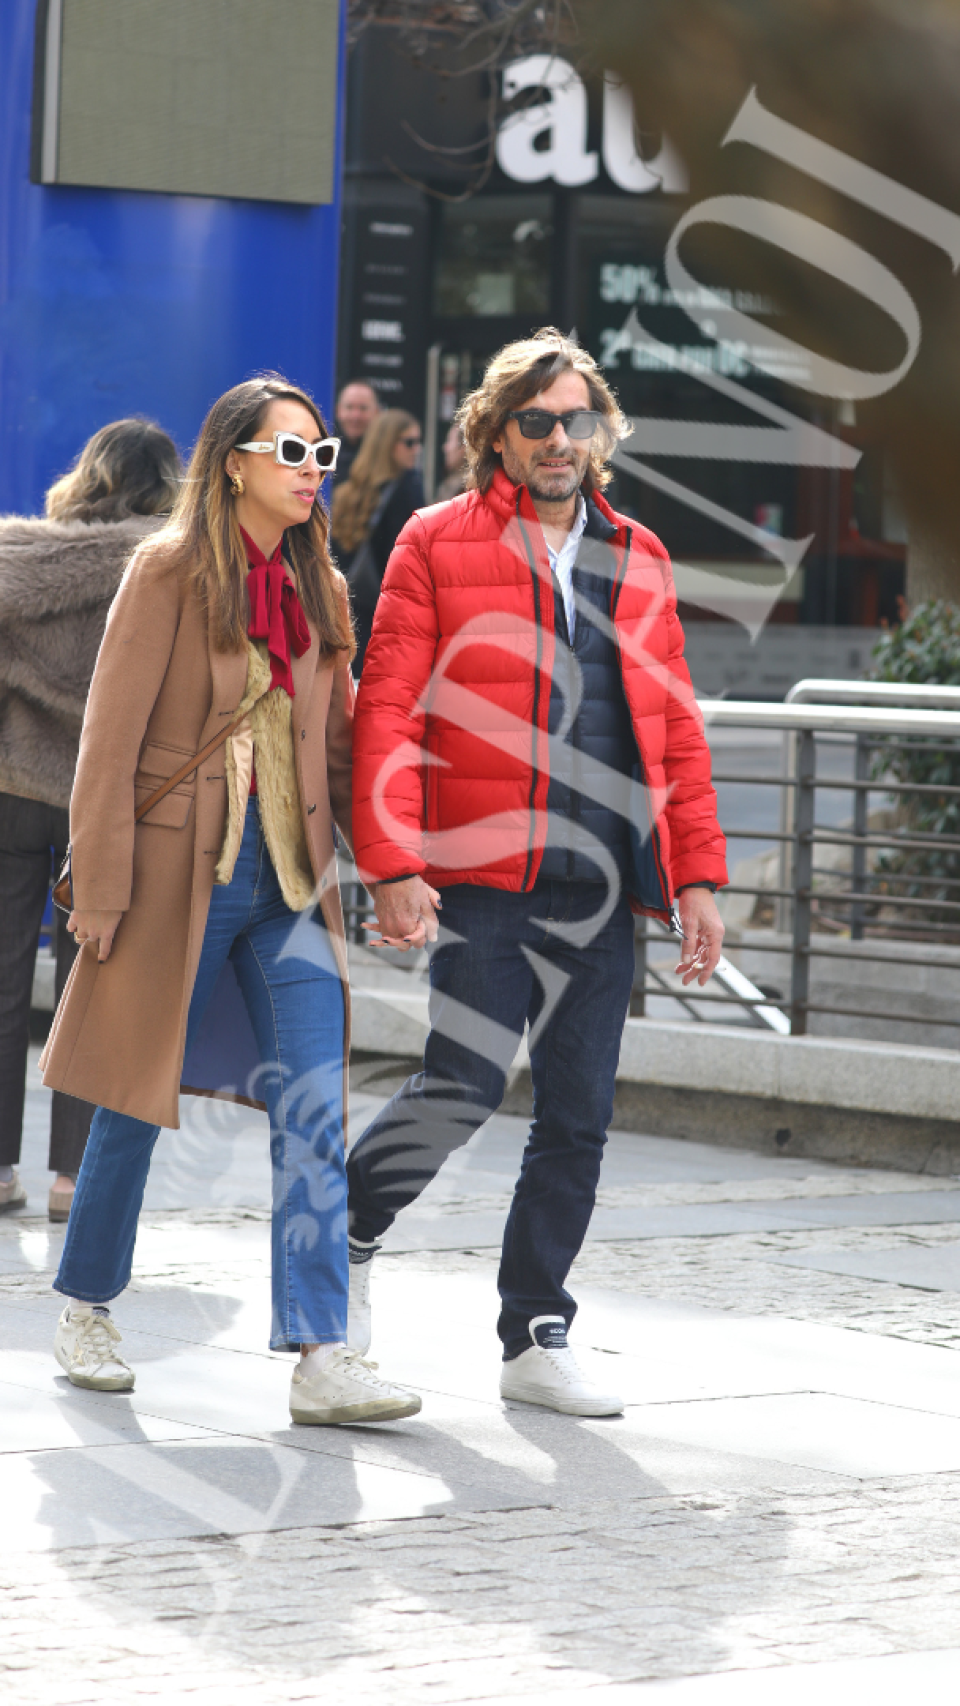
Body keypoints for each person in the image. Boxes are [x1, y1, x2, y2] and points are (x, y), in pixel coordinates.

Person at [344, 329, 728, 1417]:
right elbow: (389, 710)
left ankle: (535, 1330)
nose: (561, 440)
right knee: (460, 1085)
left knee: (579, 1111)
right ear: (498, 435)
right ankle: (349, 1232)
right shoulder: (433, 541)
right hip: (480, 875)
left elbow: (677, 728)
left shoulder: (640, 553)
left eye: (578, 420)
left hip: (602, 881)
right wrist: (392, 861)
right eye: (538, 421)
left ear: (602, 431)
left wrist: (696, 875)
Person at [40, 374, 420, 1427]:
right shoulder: (164, 573)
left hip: (291, 883)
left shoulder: (322, 587)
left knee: (313, 1106)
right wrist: (101, 888)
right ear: (235, 461)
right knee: (132, 1090)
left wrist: (392, 865)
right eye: (289, 451)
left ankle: (322, 1352)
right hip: (177, 879)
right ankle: (85, 1304)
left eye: (320, 454)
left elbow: (339, 747)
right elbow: (106, 747)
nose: (309, 472)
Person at [0, 418, 181, 1224]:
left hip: (13, 791)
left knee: (3, 983)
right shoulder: (171, 568)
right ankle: (72, 1178)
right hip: (111, 806)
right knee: (92, 989)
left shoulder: (19, 562)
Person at [330, 409, 425, 673]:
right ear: (387, 445)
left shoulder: (347, 492)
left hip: (347, 612)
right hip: (386, 617)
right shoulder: (407, 489)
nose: (416, 449)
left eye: (418, 442)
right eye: (409, 442)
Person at [331, 379, 381, 490]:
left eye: (363, 408)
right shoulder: (324, 451)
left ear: (377, 412)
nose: (356, 416)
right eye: (349, 407)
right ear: (338, 411)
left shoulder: (387, 456)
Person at [435, 421, 467, 502]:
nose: (445, 448)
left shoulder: (465, 489)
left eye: (449, 440)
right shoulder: (450, 484)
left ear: (463, 448)